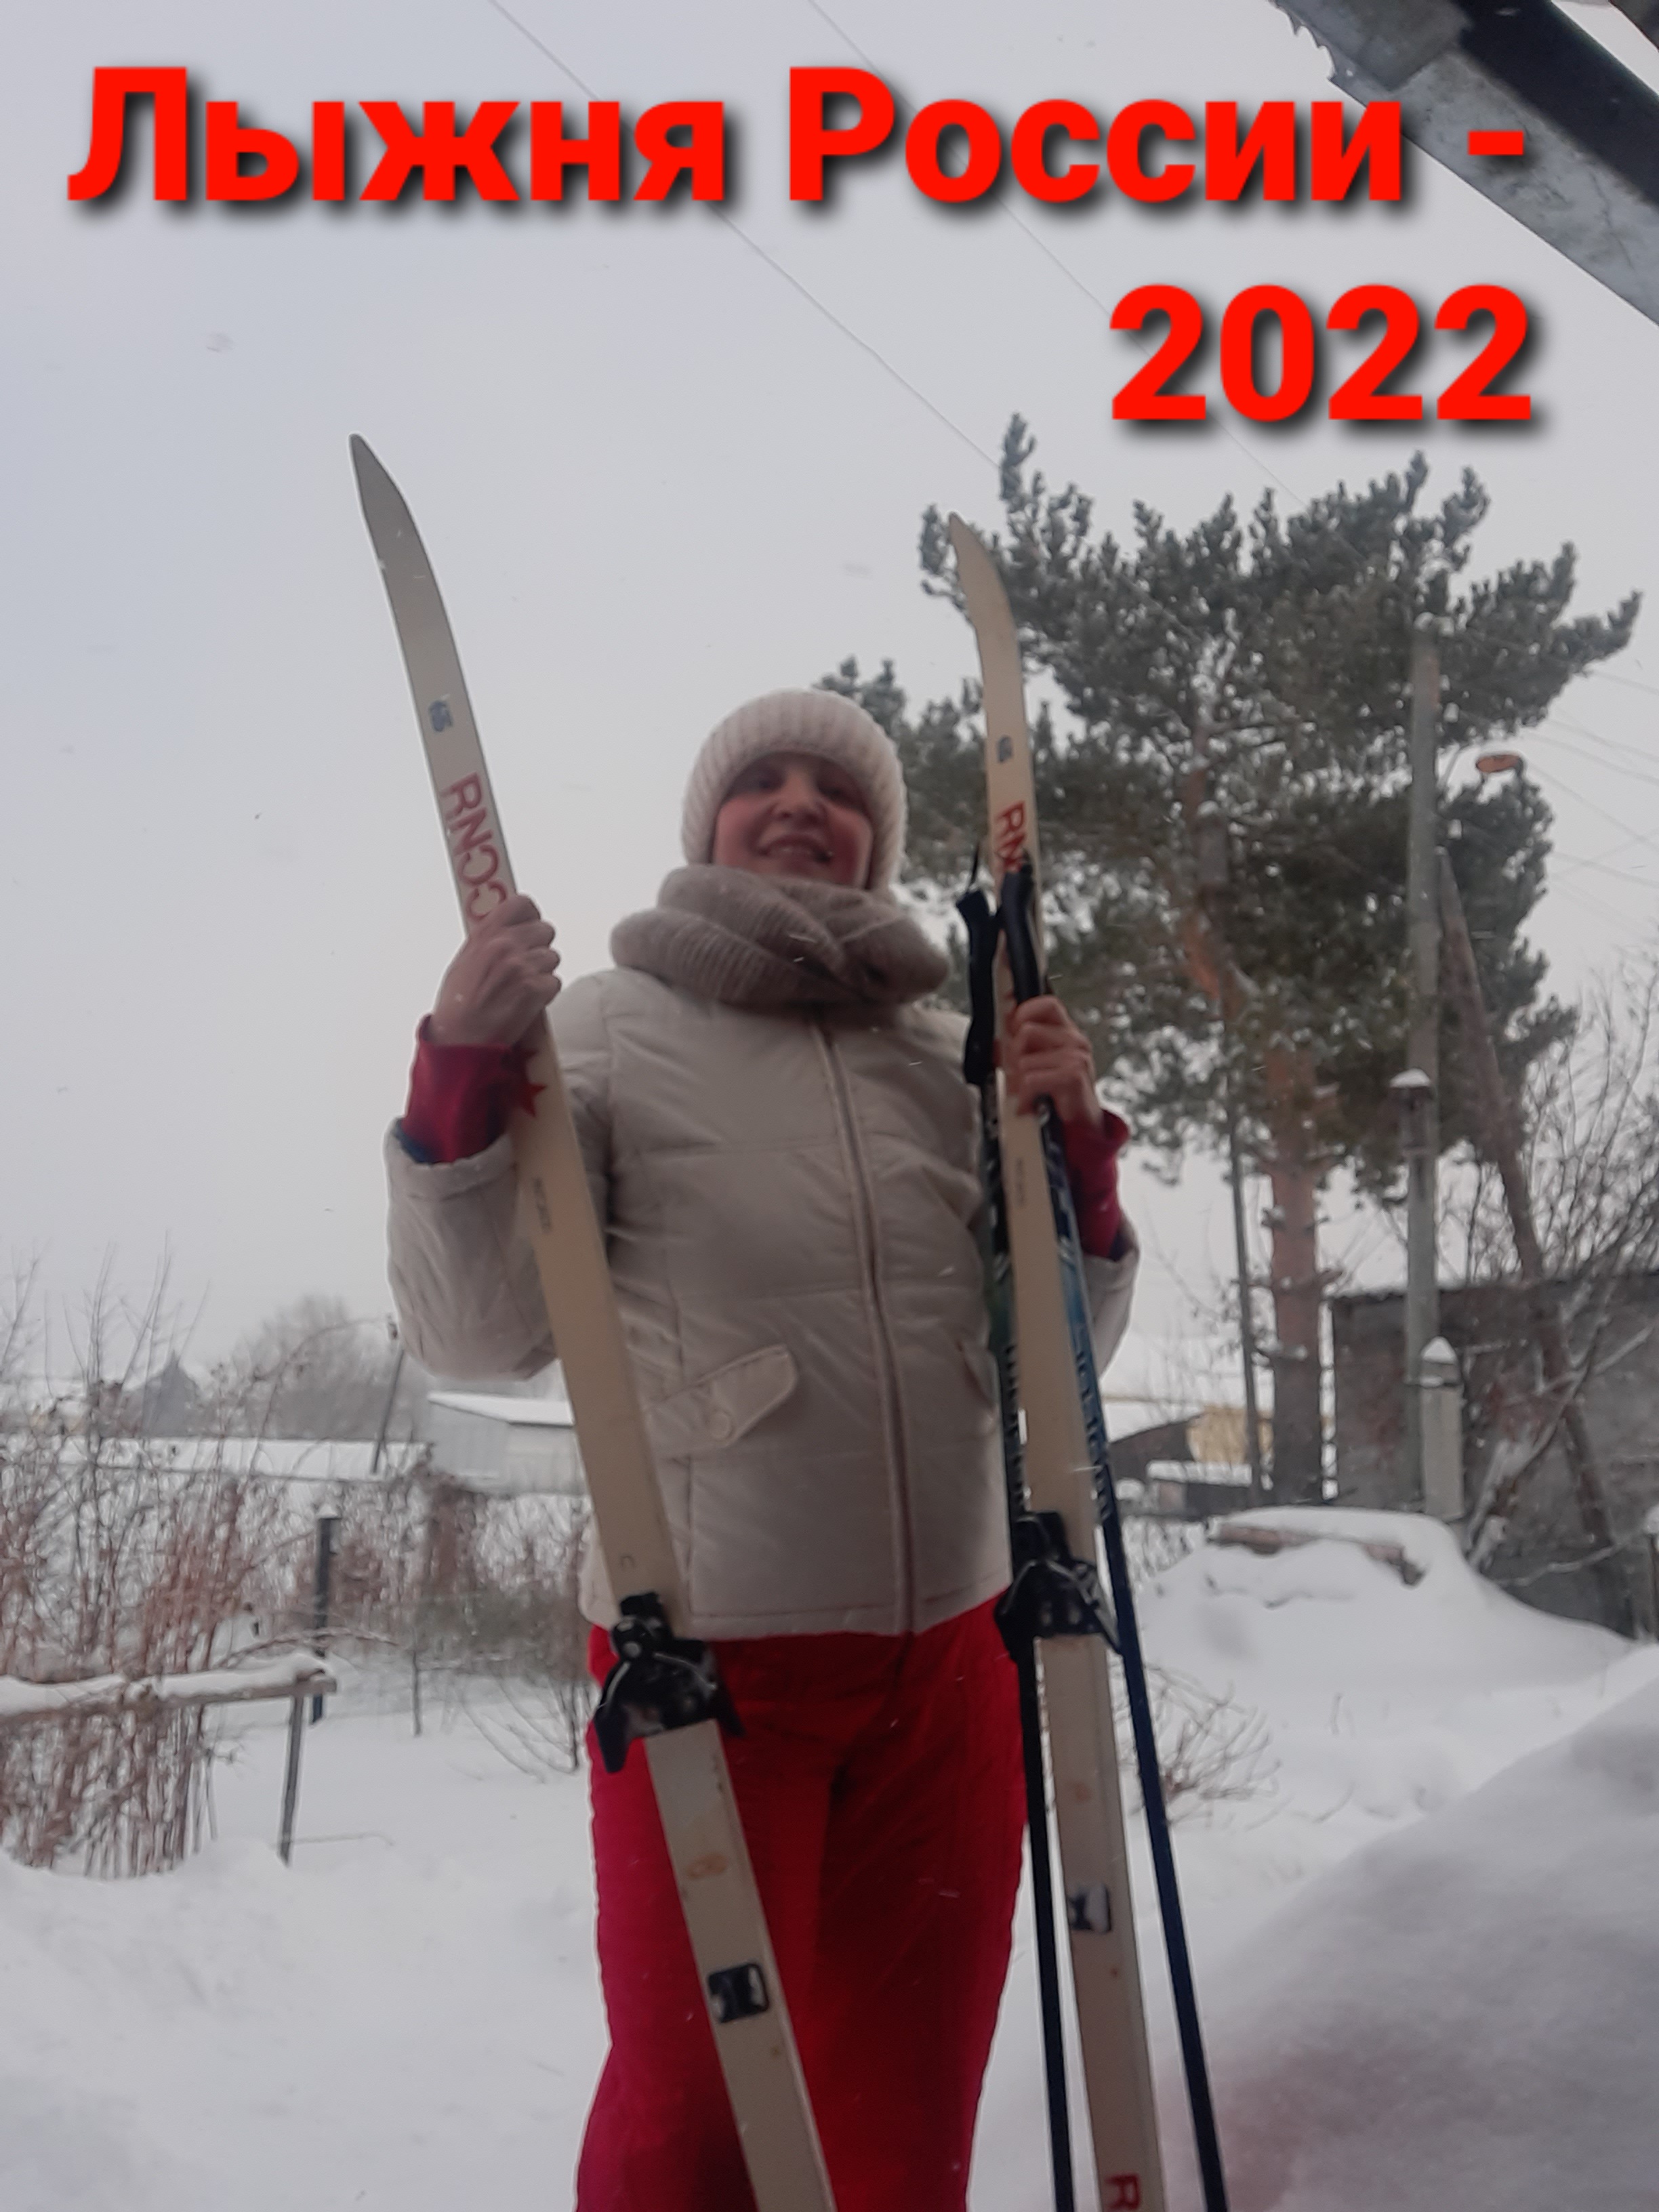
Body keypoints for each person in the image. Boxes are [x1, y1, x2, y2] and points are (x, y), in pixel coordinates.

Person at [384, 689, 1137, 2212]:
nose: (802, 804)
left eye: (837, 789)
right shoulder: (605, 1026)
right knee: (703, 2129)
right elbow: (477, 1336)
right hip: (712, 1662)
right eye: (765, 781)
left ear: (876, 841)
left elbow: (1051, 1367)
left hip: (955, 1665)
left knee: (907, 2105)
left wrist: (1078, 1171)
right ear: (708, 824)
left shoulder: (947, 1051)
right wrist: (460, 1075)